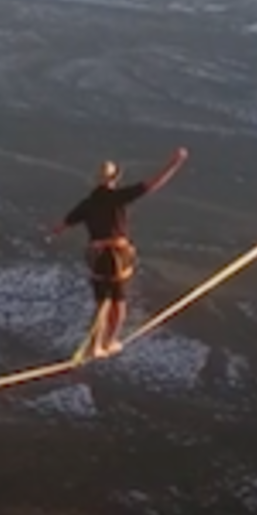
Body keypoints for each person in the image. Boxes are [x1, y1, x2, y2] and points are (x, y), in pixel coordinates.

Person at [46, 147, 188, 359]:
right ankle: (108, 341)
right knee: (117, 303)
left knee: (102, 302)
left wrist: (51, 233)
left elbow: (62, 225)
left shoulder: (88, 203)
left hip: (95, 258)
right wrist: (174, 163)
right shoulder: (117, 197)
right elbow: (152, 184)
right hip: (115, 256)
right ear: (116, 177)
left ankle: (95, 345)